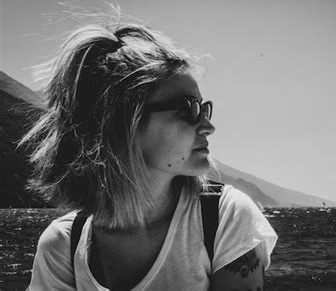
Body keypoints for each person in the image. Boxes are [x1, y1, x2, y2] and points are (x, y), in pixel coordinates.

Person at [21, 17, 277, 290]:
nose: (208, 127)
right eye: (189, 108)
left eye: (205, 108)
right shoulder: (63, 245)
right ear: (123, 122)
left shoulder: (225, 216)